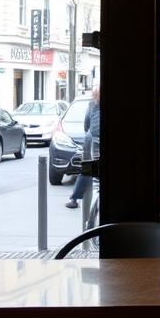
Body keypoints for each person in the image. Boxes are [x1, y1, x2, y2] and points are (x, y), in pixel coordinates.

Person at [66, 86, 101, 219]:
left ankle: (75, 199)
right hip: (95, 142)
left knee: (86, 171)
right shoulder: (96, 105)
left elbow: (86, 124)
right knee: (93, 171)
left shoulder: (92, 104)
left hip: (90, 142)